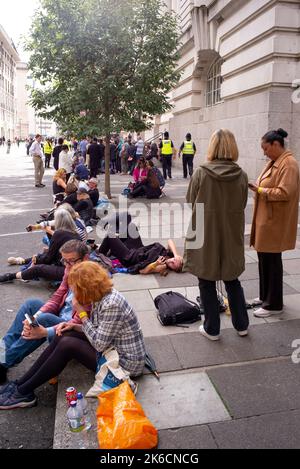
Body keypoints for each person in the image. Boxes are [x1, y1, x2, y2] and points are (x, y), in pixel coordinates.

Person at [0, 262, 146, 409]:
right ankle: (21, 384)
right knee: (64, 333)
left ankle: (24, 392)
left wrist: (81, 313)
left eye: (75, 290)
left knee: (67, 345)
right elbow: (97, 331)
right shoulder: (100, 295)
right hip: (111, 348)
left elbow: (99, 344)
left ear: (86, 289)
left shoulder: (110, 304)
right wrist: (74, 326)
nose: (74, 296)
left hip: (125, 363)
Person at [183, 129, 249, 341]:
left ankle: (212, 328)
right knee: (232, 279)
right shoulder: (241, 175)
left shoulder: (201, 173)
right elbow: (243, 202)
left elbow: (190, 200)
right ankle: (242, 324)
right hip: (230, 229)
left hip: (204, 228)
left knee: (206, 279)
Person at [0, 241, 90, 385]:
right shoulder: (70, 269)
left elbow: (81, 323)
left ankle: (4, 363)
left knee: (45, 319)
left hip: (73, 329)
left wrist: (45, 330)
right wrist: (33, 318)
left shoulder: (91, 281)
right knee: (31, 305)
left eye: (71, 261)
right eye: (64, 261)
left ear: (85, 258)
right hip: (60, 317)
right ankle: (1, 354)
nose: (67, 266)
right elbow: (57, 296)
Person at [249, 128, 300, 318]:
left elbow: (285, 192)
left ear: (276, 145)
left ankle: (274, 304)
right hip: (267, 219)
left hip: (275, 221)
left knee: (272, 262)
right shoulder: (274, 162)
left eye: (266, 148)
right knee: (264, 260)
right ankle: (265, 297)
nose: (264, 152)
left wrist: (260, 190)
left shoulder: (289, 164)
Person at [0, 210, 80, 284]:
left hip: (69, 270)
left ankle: (12, 276)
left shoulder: (59, 234)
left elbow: (48, 259)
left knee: (38, 268)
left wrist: (37, 259)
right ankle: (23, 264)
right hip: (74, 266)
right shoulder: (74, 232)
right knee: (44, 254)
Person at [98, 234, 183, 276]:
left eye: (173, 265)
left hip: (129, 258)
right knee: (131, 227)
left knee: (110, 236)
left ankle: (99, 254)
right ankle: (114, 248)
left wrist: (156, 263)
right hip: (139, 249)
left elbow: (143, 271)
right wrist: (175, 255)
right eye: (175, 260)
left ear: (172, 269)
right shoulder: (169, 254)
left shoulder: (162, 266)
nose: (172, 261)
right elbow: (169, 241)